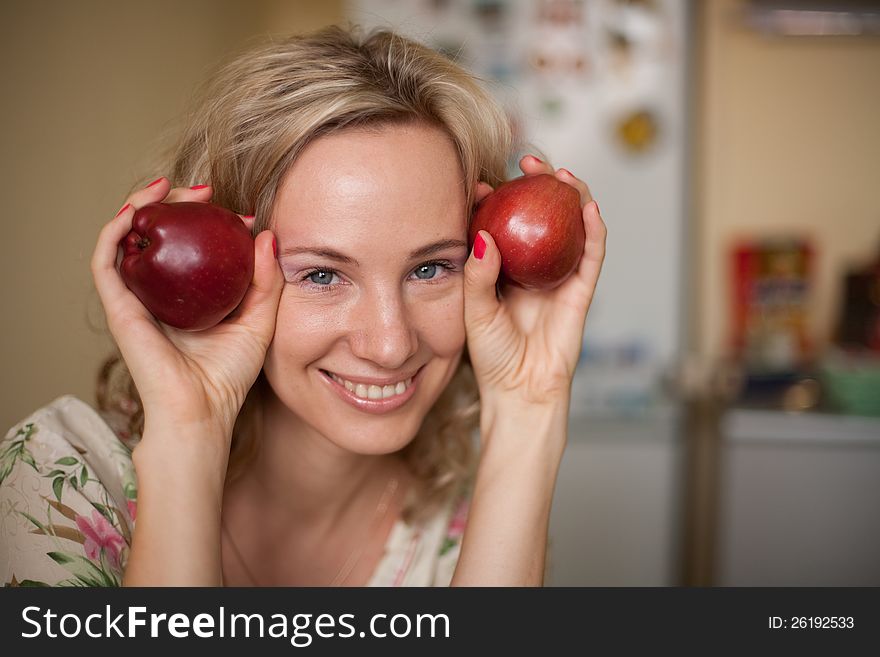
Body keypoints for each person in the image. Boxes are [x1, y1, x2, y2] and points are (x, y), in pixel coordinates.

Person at [0, 24, 606, 587]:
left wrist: (532, 406)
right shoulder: (58, 488)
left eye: (430, 268)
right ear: (230, 271)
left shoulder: (473, 525)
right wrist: (191, 433)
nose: (390, 343)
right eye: (322, 275)